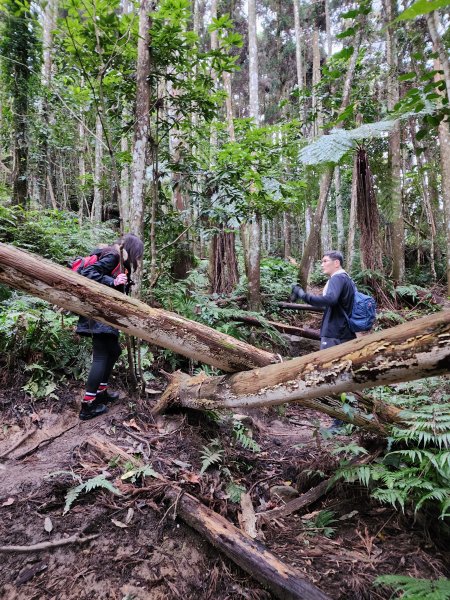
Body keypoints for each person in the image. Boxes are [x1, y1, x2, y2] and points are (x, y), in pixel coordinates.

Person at [76, 233, 144, 420]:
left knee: (114, 351)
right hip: (98, 313)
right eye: (137, 253)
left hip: (107, 314)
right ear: (130, 249)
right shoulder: (114, 255)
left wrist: (122, 282)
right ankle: (88, 405)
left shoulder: (121, 262)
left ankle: (101, 392)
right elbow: (88, 273)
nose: (138, 258)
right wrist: (112, 282)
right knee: (101, 355)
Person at [290, 250, 356, 431]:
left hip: (335, 334)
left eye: (325, 261)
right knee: (342, 374)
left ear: (336, 263)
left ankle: (340, 421)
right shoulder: (346, 279)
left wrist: (304, 295)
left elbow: (330, 300)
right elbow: (334, 303)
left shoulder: (337, 278)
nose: (322, 264)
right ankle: (347, 418)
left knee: (332, 375)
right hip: (343, 332)